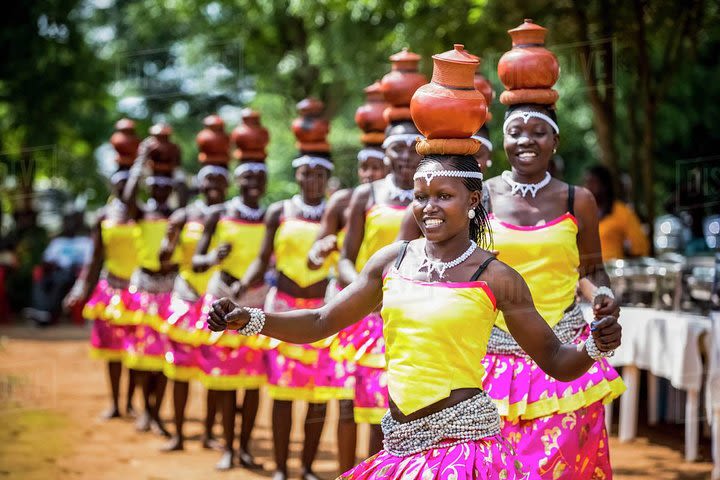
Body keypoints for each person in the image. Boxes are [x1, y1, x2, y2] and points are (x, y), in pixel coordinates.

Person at [207, 152, 622, 480]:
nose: (428, 207)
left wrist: (593, 345)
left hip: (464, 452)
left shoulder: (497, 276)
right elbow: (320, 322)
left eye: (444, 195)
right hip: (400, 445)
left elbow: (554, 360)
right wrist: (250, 318)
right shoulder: (392, 260)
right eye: (421, 196)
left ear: (473, 201)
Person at [306, 143, 388, 473]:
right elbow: (319, 255)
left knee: (380, 404)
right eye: (363, 166)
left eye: (376, 166)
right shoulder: (346, 200)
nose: (369, 173)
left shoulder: (413, 195)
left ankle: (373, 472)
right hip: (353, 309)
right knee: (346, 403)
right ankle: (343, 472)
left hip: (389, 311)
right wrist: (320, 251)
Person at [192, 153, 269, 470]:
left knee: (252, 381)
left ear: (265, 183)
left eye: (258, 178)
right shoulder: (219, 214)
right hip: (223, 297)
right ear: (237, 181)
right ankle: (227, 446)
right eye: (246, 178)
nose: (252, 184)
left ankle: (245, 447)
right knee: (224, 378)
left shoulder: (271, 216)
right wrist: (213, 257)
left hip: (256, 299)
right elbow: (196, 262)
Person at [158, 163, 229, 452]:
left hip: (217, 300)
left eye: (219, 179)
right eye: (207, 179)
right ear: (199, 184)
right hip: (187, 297)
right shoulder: (184, 215)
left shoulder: (233, 216)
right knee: (180, 370)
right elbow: (164, 256)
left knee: (216, 371)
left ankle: (210, 433)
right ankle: (178, 433)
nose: (213, 184)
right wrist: (168, 241)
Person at [117, 124, 181, 437]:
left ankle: (157, 411)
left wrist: (176, 164)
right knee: (143, 356)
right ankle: (145, 410)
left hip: (170, 289)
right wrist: (140, 162)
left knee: (165, 356)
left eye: (165, 183)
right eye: (154, 183)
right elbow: (127, 197)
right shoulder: (141, 213)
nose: (160, 187)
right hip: (144, 289)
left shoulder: (178, 214)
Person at [64, 168, 139, 419]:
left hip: (139, 293)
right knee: (113, 351)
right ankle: (116, 404)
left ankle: (131, 403)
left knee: (137, 352)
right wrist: (80, 288)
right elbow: (94, 258)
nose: (123, 186)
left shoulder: (145, 215)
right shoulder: (103, 215)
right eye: (119, 181)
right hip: (111, 291)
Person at [29, 211, 91, 325]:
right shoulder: (57, 242)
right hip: (56, 271)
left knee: (60, 280)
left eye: (72, 222)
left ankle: (49, 313)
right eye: (67, 222)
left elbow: (89, 263)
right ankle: (41, 310)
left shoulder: (85, 242)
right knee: (41, 281)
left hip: (74, 273)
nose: (69, 225)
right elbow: (46, 260)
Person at [584, 164, 650, 261]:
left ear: (605, 186)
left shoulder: (622, 212)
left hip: (613, 272)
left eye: (593, 183)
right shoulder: (581, 213)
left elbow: (640, 248)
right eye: (587, 183)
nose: (588, 187)